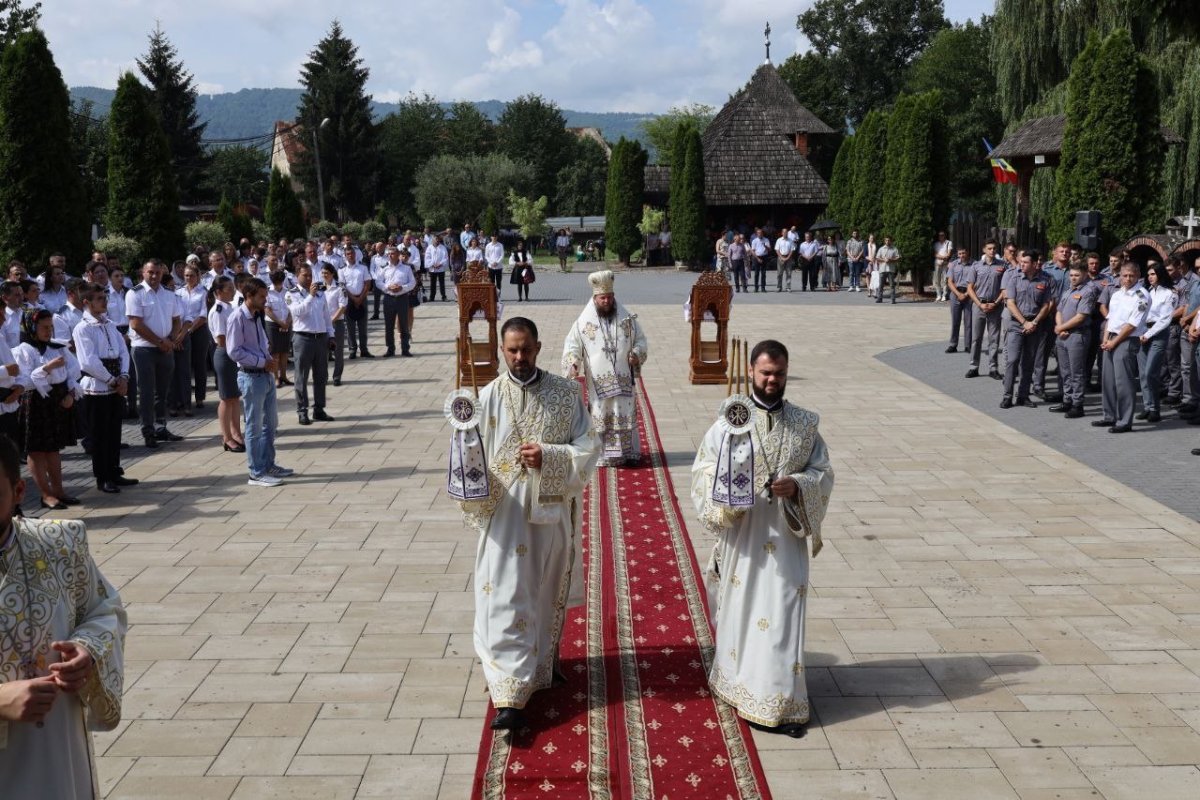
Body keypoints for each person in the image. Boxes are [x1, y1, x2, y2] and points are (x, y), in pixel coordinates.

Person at [690, 339, 834, 738]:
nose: (772, 380)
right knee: (744, 608)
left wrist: (800, 485)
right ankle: (740, 686)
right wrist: (729, 496)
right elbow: (702, 470)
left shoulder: (805, 424)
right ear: (751, 372)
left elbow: (823, 471)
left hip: (786, 537)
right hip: (745, 534)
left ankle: (782, 701)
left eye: (780, 374)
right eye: (766, 373)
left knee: (784, 613)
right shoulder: (729, 422)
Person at [460, 316, 598, 731]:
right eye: (512, 350)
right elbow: (469, 465)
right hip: (502, 520)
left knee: (541, 591)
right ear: (501, 350)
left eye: (526, 349)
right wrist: (463, 446)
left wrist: (551, 457)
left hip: (548, 518)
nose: (519, 357)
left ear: (538, 347)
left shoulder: (566, 394)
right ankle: (508, 693)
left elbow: (590, 447)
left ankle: (539, 665)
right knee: (502, 596)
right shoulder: (485, 399)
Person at [0, 433, 127, 797]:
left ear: (19, 491)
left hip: (55, 750)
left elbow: (105, 610)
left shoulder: (60, 543)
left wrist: (87, 650)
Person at [561, 270, 649, 467]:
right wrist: (573, 362)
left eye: (609, 297)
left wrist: (636, 353)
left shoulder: (627, 318)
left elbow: (641, 341)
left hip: (624, 377)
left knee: (623, 412)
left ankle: (628, 453)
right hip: (598, 381)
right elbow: (572, 345)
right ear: (595, 298)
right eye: (603, 298)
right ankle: (603, 454)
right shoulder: (583, 322)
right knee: (601, 415)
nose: (607, 301)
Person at [225, 278, 292, 487]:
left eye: (265, 296)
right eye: (262, 296)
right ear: (249, 296)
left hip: (265, 375)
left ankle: (268, 464)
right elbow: (234, 351)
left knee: (270, 424)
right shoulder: (237, 317)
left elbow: (261, 340)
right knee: (254, 426)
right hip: (251, 376)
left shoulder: (257, 315)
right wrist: (261, 361)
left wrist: (267, 355)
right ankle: (255, 472)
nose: (265, 300)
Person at [72, 282, 138, 493]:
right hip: (98, 386)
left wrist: (124, 377)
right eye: (99, 298)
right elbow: (88, 362)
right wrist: (112, 380)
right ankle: (103, 476)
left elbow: (123, 351)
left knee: (114, 431)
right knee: (100, 434)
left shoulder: (109, 324)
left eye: (104, 298)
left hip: (116, 382)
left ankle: (114, 471)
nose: (104, 302)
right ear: (87, 302)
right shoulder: (83, 328)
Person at [14, 309, 81, 510]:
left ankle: (59, 490)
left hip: (58, 400)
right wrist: (46, 368)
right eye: (44, 327)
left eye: (50, 327)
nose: (48, 331)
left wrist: (70, 394)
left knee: (53, 448)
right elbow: (24, 380)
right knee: (37, 450)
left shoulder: (58, 347)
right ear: (32, 328)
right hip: (35, 402)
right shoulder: (23, 350)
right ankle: (46, 494)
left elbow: (73, 371)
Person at [125, 260, 183, 449]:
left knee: (162, 392)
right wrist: (160, 341)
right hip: (144, 349)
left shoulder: (169, 294)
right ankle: (148, 431)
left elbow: (176, 320)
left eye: (157, 272)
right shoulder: (135, 293)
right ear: (143, 272)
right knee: (147, 392)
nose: (154, 276)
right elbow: (136, 324)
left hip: (165, 348)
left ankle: (160, 427)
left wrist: (172, 339)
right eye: (150, 272)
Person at [1094, 262, 1149, 433]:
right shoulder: (1117, 294)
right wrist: (1105, 339)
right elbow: (1110, 318)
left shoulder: (1142, 296)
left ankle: (1125, 421)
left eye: (1131, 275)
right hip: (1111, 338)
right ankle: (1109, 416)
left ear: (1138, 275)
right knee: (1108, 380)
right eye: (1124, 275)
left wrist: (1114, 341)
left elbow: (1132, 324)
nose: (1127, 279)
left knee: (1123, 382)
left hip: (1126, 340)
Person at [1000, 251, 1055, 409]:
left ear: (1033, 264)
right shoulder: (1014, 278)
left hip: (1034, 325)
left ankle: (1023, 396)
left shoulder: (1044, 281)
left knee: (1028, 362)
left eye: (1025, 262)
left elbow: (1046, 305)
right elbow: (1010, 303)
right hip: (1017, 324)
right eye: (1021, 261)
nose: (1021, 264)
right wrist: (1024, 322)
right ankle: (1007, 396)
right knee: (1012, 360)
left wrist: (1035, 322)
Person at [285, 264, 335, 426]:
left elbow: (326, 316)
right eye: (305, 275)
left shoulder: (321, 294)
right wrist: (310, 296)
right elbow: (298, 312)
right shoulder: (291, 294)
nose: (308, 279)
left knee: (321, 376)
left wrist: (331, 335)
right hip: (303, 338)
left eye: (310, 276)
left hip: (320, 338)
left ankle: (319, 409)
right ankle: (302, 410)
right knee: (301, 377)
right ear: (297, 276)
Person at [1049, 266, 1096, 418]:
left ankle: (1077, 404)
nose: (1073, 278)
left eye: (1077, 275)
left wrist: (1061, 327)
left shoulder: (1087, 292)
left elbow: (1081, 316)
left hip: (1077, 335)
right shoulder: (1068, 291)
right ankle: (1067, 400)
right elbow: (1059, 311)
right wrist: (1059, 327)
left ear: (1084, 275)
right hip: (1062, 335)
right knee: (1065, 372)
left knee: (1077, 373)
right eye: (1071, 275)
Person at [1135, 262, 1177, 424]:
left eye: (1153, 274)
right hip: (1142, 332)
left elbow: (1165, 319)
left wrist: (1148, 334)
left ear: (1160, 274)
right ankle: (1148, 407)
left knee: (1151, 372)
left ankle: (1155, 409)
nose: (1150, 277)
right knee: (1143, 374)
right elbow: (1139, 312)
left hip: (1157, 334)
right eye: (1149, 274)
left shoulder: (1169, 293)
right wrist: (1139, 332)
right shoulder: (1145, 292)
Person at [208, 276, 245, 452]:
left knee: (235, 397)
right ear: (218, 292)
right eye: (228, 288)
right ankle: (227, 437)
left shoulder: (230, 307)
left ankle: (236, 433)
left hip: (234, 354)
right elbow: (221, 339)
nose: (232, 291)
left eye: (232, 287)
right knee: (226, 397)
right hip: (225, 354)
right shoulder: (218, 310)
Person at [171, 264, 209, 418]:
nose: (188, 278)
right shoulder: (178, 292)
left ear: (198, 276)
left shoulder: (203, 291)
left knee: (199, 364)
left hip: (198, 329)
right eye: (186, 275)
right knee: (183, 366)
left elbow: (203, 313)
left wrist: (190, 329)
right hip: (181, 331)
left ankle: (199, 397)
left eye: (191, 275)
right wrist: (182, 332)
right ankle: (181, 399)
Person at [966, 240, 1006, 379]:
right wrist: (979, 304)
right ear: (984, 249)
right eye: (989, 248)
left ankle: (993, 368)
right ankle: (973, 366)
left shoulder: (1002, 266)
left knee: (994, 339)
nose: (992, 251)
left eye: (994, 248)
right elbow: (970, 288)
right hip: (979, 306)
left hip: (995, 306)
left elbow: (1005, 288)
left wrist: (995, 302)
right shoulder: (976, 266)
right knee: (976, 338)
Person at [380, 246, 416, 358]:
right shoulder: (385, 269)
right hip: (389, 298)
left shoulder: (406, 268)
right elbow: (378, 282)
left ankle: (405, 349)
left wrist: (402, 288)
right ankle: (390, 349)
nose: (390, 256)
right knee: (389, 325)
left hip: (402, 298)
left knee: (404, 324)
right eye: (389, 254)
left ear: (397, 254)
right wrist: (388, 287)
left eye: (392, 254)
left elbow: (412, 283)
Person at [339, 246, 373, 360]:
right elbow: (342, 286)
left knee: (363, 326)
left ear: (355, 254)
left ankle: (364, 349)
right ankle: (353, 349)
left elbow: (367, 283)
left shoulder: (363, 268)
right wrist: (353, 298)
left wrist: (360, 298)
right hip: (349, 300)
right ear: (345, 256)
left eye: (352, 253)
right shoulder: (342, 270)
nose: (350, 255)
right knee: (350, 327)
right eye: (348, 254)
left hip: (362, 298)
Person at [321, 263, 348, 387]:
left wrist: (332, 319)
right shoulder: (319, 288)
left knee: (338, 351)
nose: (324, 275)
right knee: (323, 352)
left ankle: (337, 376)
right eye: (322, 273)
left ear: (332, 273)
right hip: (322, 324)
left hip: (336, 322)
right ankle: (323, 376)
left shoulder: (340, 287)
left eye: (326, 273)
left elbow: (343, 306)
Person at [264, 270, 292, 387]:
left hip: (287, 322)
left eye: (280, 280)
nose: (278, 283)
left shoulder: (288, 292)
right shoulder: (267, 292)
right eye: (276, 281)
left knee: (285, 351)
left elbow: (292, 308)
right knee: (274, 352)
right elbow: (267, 309)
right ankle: (276, 378)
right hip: (273, 324)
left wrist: (287, 322)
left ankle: (284, 376)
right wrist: (280, 322)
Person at [946, 246, 975, 353]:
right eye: (960, 254)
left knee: (969, 321)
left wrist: (967, 294)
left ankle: (968, 346)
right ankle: (953, 344)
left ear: (968, 253)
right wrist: (958, 294)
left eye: (963, 253)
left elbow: (976, 282)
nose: (962, 255)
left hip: (969, 295)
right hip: (955, 294)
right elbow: (950, 281)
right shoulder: (953, 264)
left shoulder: (974, 264)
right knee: (955, 321)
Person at [874, 236, 900, 304]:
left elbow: (898, 258)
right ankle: (879, 298)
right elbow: (877, 258)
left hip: (891, 270)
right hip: (882, 269)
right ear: (884, 241)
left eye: (889, 240)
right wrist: (883, 260)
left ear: (891, 241)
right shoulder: (881, 249)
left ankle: (893, 299)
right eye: (886, 240)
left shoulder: (894, 249)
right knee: (881, 285)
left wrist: (890, 260)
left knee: (892, 285)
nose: (887, 241)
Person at [425, 235, 449, 302]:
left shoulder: (443, 247)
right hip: (432, 269)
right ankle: (432, 297)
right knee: (432, 284)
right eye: (435, 239)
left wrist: (440, 264)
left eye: (438, 239)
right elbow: (427, 257)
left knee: (442, 283)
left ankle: (444, 296)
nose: (437, 240)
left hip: (441, 268)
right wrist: (433, 264)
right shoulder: (429, 248)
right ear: (432, 240)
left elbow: (446, 258)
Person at [933, 231, 953, 302]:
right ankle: (938, 295)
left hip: (945, 263)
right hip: (937, 263)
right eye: (939, 235)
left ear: (945, 235)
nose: (941, 236)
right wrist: (942, 258)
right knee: (937, 280)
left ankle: (944, 295)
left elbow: (949, 253)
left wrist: (943, 258)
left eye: (942, 235)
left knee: (945, 280)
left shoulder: (948, 242)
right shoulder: (936, 244)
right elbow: (935, 254)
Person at [750, 229, 770, 293]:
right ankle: (756, 288)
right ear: (756, 234)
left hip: (764, 257)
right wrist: (757, 258)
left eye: (761, 233)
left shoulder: (766, 240)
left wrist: (766, 246)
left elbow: (769, 249)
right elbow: (752, 251)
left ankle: (763, 288)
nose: (760, 234)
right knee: (756, 273)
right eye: (758, 233)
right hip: (756, 257)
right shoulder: (754, 241)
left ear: (762, 234)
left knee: (763, 273)